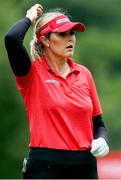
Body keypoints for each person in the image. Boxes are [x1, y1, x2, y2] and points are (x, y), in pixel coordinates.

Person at [4, 3, 109, 179]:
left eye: (72, 33)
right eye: (62, 34)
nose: (70, 39)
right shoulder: (31, 73)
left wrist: (102, 140)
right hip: (45, 167)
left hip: (85, 166)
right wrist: (30, 18)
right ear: (44, 40)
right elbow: (12, 39)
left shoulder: (84, 74)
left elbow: (98, 124)